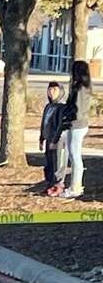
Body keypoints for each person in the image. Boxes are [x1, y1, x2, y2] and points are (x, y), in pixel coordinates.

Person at [64, 59, 93, 199]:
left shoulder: (81, 88)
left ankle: (76, 187)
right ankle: (73, 186)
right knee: (72, 155)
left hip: (78, 125)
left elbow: (78, 109)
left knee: (75, 156)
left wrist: (68, 115)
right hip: (74, 124)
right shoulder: (79, 86)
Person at [39, 81, 67, 194]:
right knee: (49, 162)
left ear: (60, 92)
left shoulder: (62, 107)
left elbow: (61, 125)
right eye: (50, 89)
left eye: (55, 90)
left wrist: (55, 140)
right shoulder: (48, 106)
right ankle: (50, 183)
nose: (51, 92)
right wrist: (41, 139)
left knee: (57, 163)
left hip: (57, 139)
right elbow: (43, 123)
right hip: (48, 138)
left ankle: (58, 185)